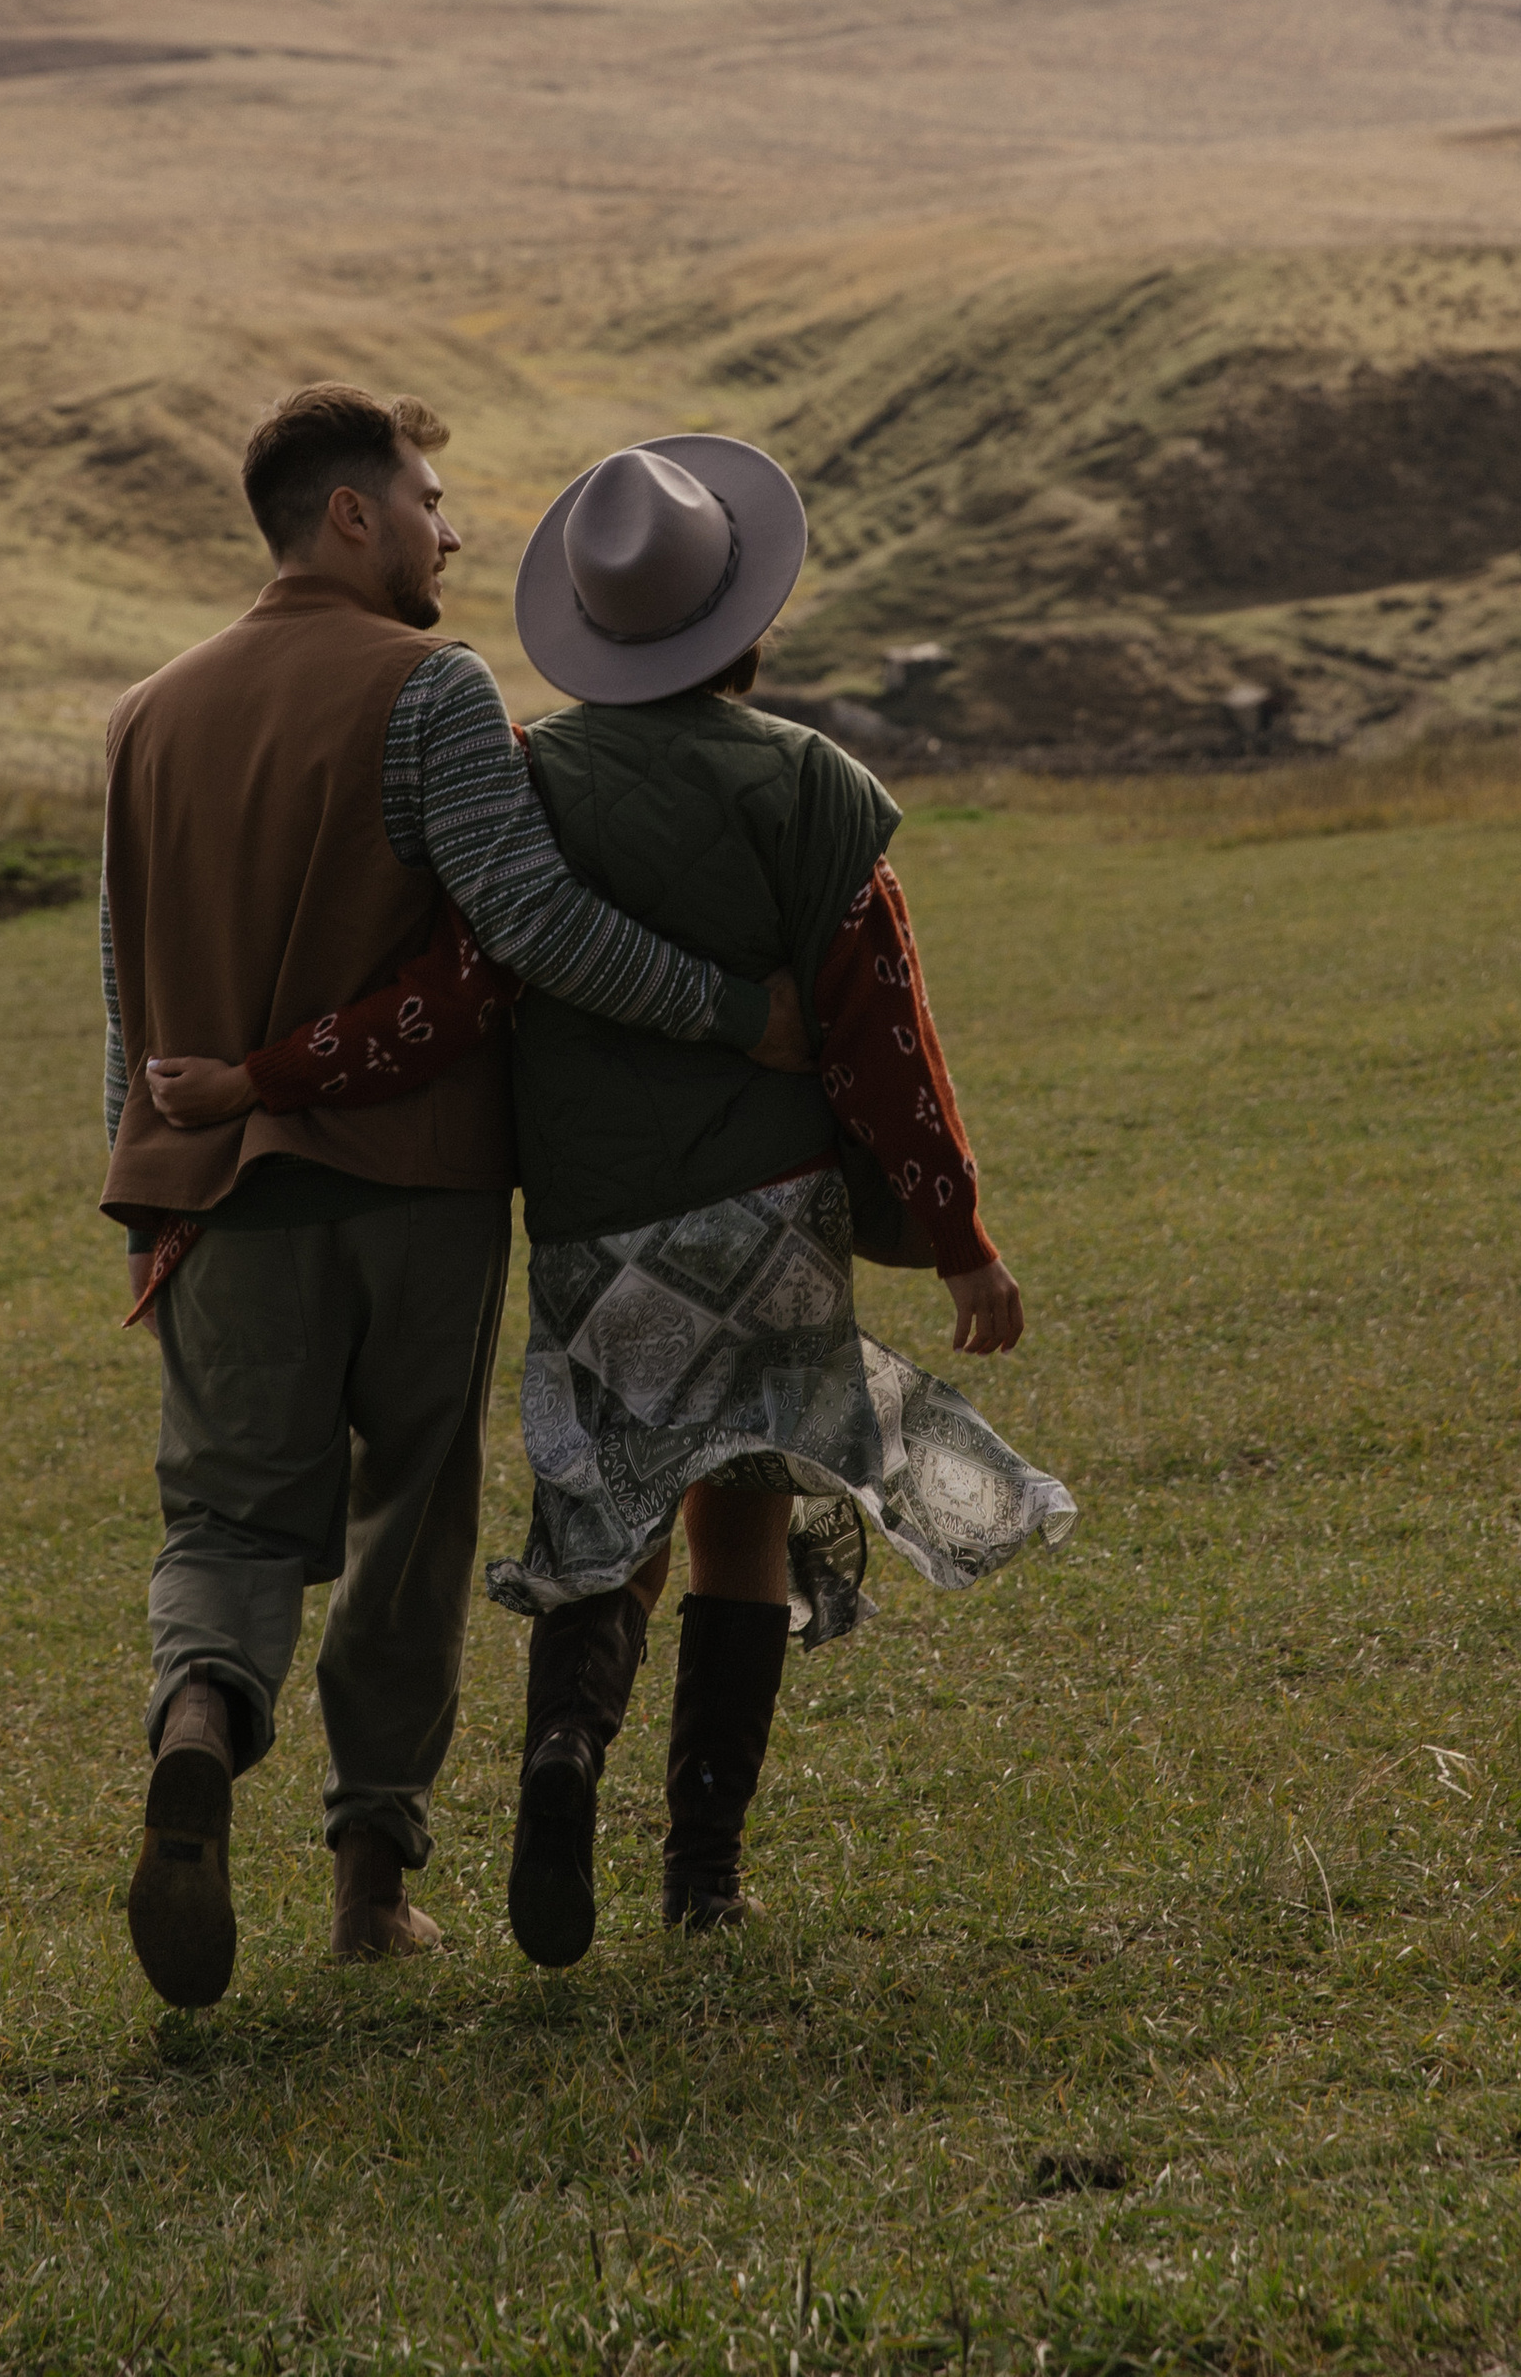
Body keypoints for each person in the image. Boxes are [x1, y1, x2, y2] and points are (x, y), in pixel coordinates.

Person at [96, 382, 808, 2012]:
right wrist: (729, 1010)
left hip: (210, 1194)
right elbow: (534, 929)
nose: (452, 526)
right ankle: (369, 1885)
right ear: (352, 514)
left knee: (224, 1521)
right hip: (412, 1187)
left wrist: (145, 1196)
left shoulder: (142, 714)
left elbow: (127, 1000)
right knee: (410, 1516)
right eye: (428, 496)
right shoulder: (431, 689)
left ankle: (202, 1717)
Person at [487, 432, 1075, 1967]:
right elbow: (887, 1039)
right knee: (739, 1535)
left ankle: (560, 1764)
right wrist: (963, 1241)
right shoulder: (814, 786)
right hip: (771, 1223)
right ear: (748, 618)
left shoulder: (526, 786)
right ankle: (700, 1871)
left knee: (607, 1521)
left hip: (591, 1231)